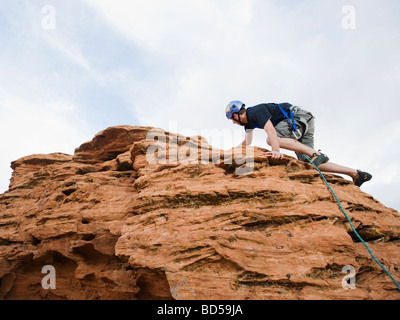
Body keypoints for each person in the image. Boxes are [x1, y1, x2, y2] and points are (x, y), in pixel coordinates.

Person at [225, 100, 372, 187]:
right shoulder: (248, 124)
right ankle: (356, 174)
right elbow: (248, 142)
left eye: (232, 118)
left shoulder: (255, 112)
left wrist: (275, 149)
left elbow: (270, 130)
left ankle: (315, 153)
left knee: (271, 139)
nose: (232, 122)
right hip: (304, 122)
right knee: (311, 163)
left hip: (297, 117)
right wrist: (229, 152)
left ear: (237, 114)